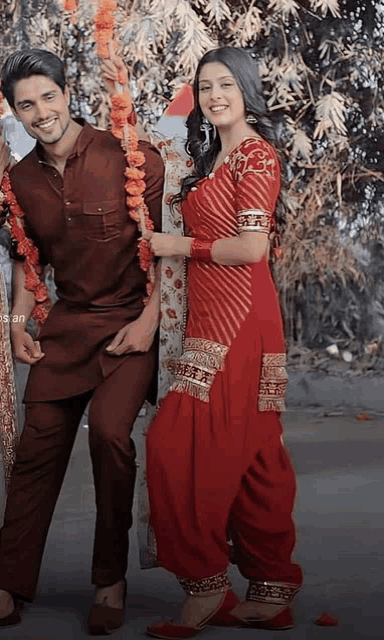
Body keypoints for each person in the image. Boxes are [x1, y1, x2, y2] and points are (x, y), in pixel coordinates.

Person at [0, 48, 164, 634]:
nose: (40, 112)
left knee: (112, 441)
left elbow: (168, 245)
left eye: (48, 97)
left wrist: (151, 321)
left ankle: (110, 579)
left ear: (67, 94)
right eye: (26, 104)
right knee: (36, 451)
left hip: (129, 325)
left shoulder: (130, 157)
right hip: (66, 330)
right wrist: (18, 324)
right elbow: (28, 259)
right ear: (13, 111)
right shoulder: (18, 180)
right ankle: (8, 582)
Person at [143, 47, 303, 639]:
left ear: (246, 88)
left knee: (174, 444)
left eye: (224, 85)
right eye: (204, 86)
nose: (213, 96)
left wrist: (177, 246)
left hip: (238, 321)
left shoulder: (257, 156)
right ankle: (271, 587)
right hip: (215, 317)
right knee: (257, 454)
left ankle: (206, 585)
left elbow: (252, 251)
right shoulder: (213, 155)